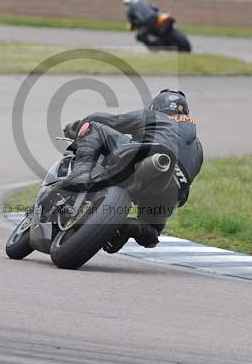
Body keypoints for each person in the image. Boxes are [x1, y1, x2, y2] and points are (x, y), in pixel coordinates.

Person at [60, 89, 204, 251]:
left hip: (147, 157)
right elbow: (185, 192)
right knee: (151, 232)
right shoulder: (198, 148)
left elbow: (110, 120)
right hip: (171, 191)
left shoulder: (154, 116)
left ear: (155, 106)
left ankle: (80, 173)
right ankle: (127, 227)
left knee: (95, 128)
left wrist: (78, 126)